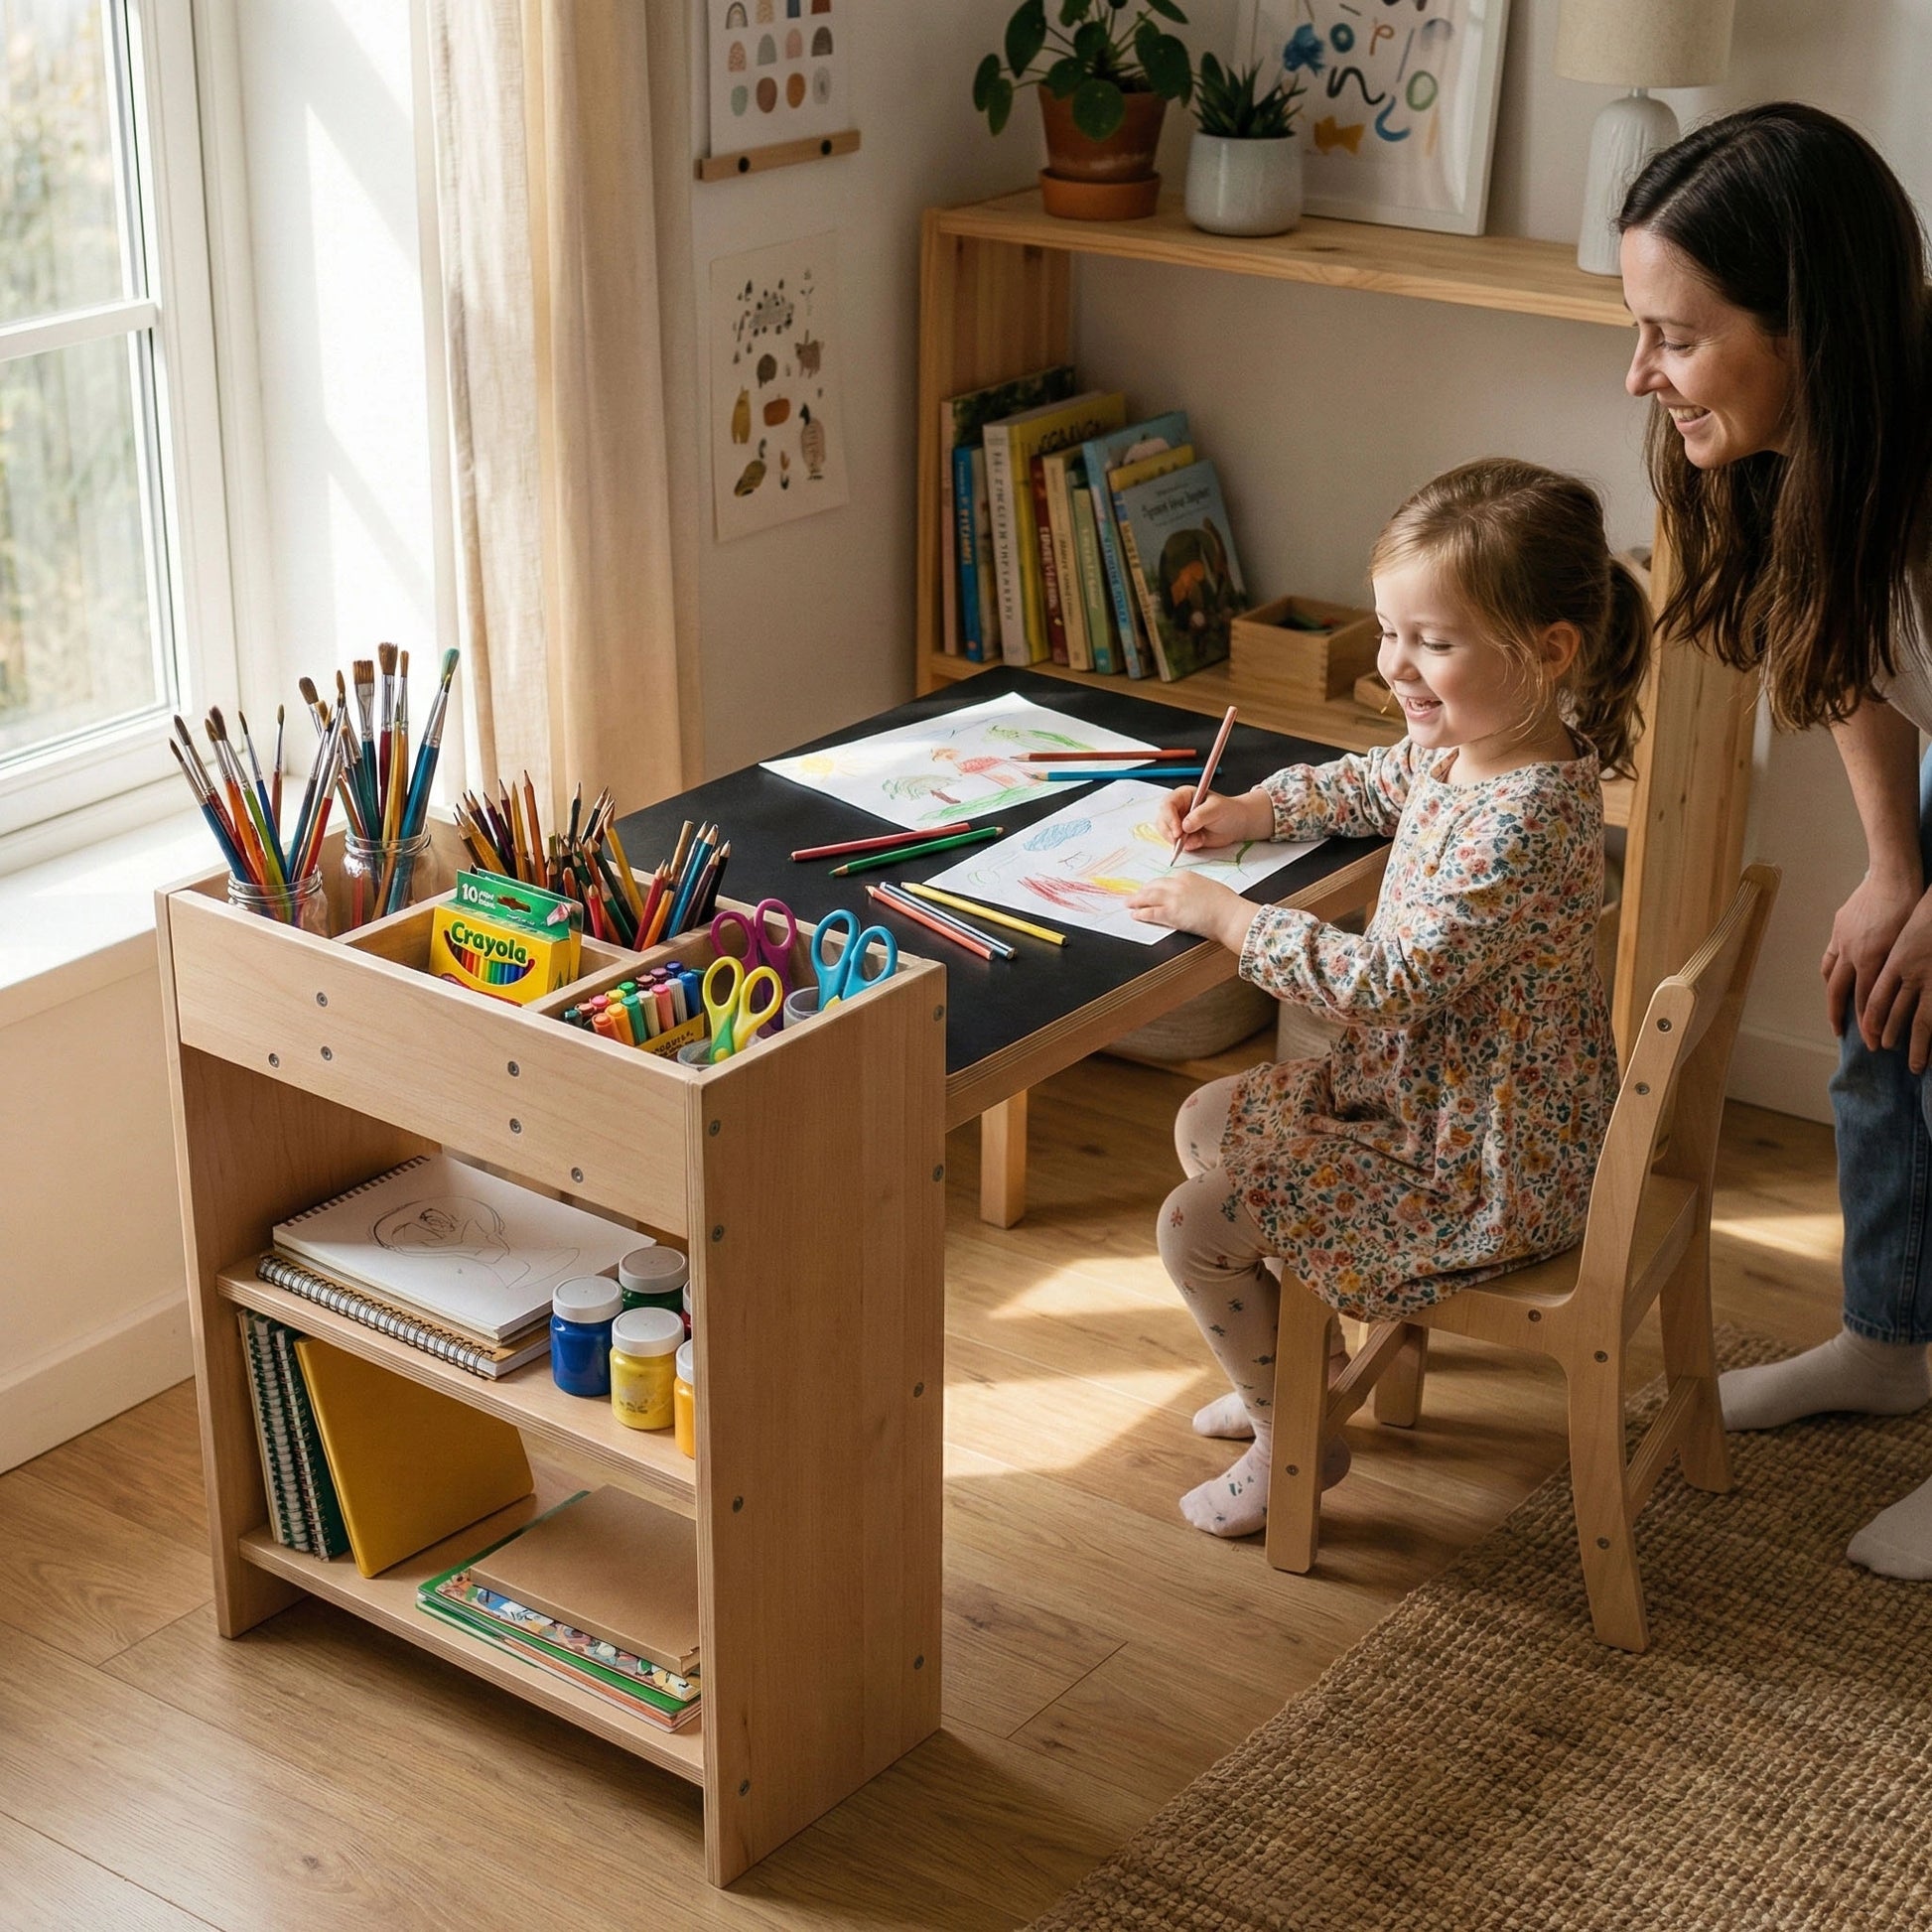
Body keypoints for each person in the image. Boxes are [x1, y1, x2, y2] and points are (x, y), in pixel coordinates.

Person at [1126, 458, 1647, 1536]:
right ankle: (1293, 1368)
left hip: (1479, 1163)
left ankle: (1292, 1444)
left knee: (1192, 1225)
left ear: (1547, 651)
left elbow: (1387, 981)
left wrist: (1229, 920)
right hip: (1419, 1105)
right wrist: (1251, 809)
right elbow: (1372, 779)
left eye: (1434, 643)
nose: (1396, 666)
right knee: (1203, 1119)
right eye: (1388, 631)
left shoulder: (1523, 819)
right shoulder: (1469, 745)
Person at [1616, 104, 1932, 1582]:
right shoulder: (1805, 450)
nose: (1642, 374)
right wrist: (1892, 871)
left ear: (1804, 322)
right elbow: (1857, 663)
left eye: (1674, 335)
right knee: (1876, 1016)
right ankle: (1889, 1337)